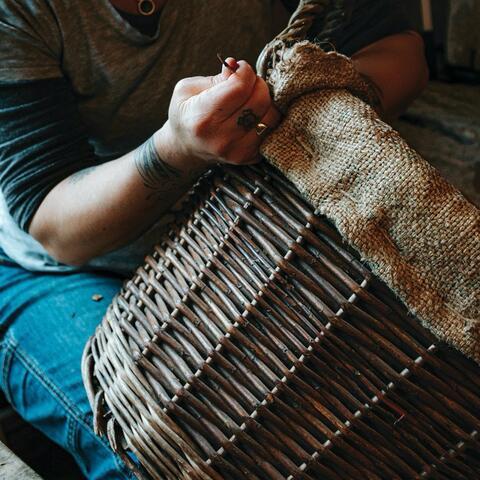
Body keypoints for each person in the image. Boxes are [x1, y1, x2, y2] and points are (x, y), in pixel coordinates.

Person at [0, 0, 428, 478]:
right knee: (168, 451)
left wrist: (295, 104)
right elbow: (54, 224)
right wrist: (176, 150)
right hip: (62, 271)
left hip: (249, 230)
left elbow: (399, 53)